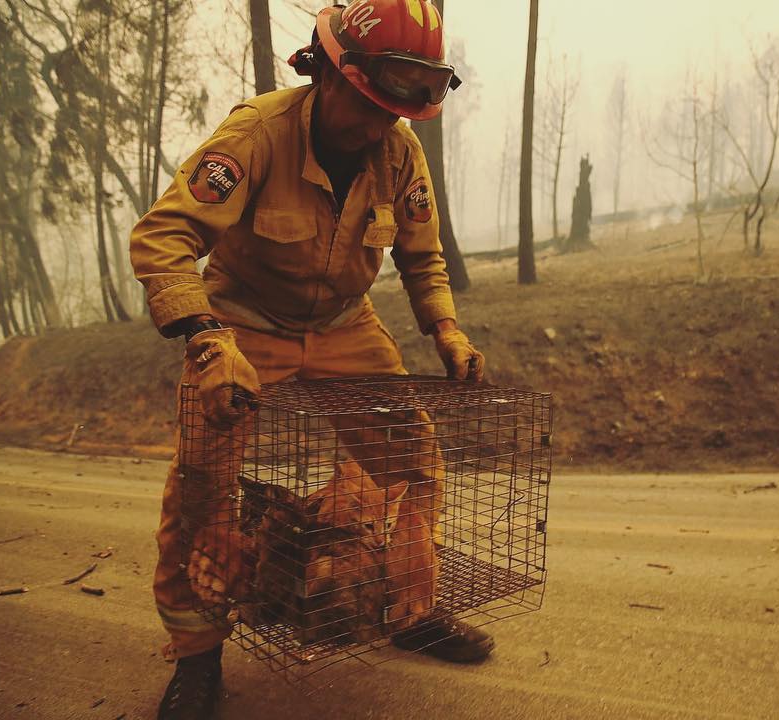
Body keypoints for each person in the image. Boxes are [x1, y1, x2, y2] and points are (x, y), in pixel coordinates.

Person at [129, 2, 491, 718]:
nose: (380, 125)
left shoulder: (398, 153)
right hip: (241, 322)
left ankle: (408, 609)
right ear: (326, 72)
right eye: (369, 105)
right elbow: (164, 237)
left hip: (344, 325)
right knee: (202, 488)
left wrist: (445, 329)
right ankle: (197, 660)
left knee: (414, 462)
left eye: (397, 110)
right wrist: (208, 341)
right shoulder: (257, 134)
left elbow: (423, 256)